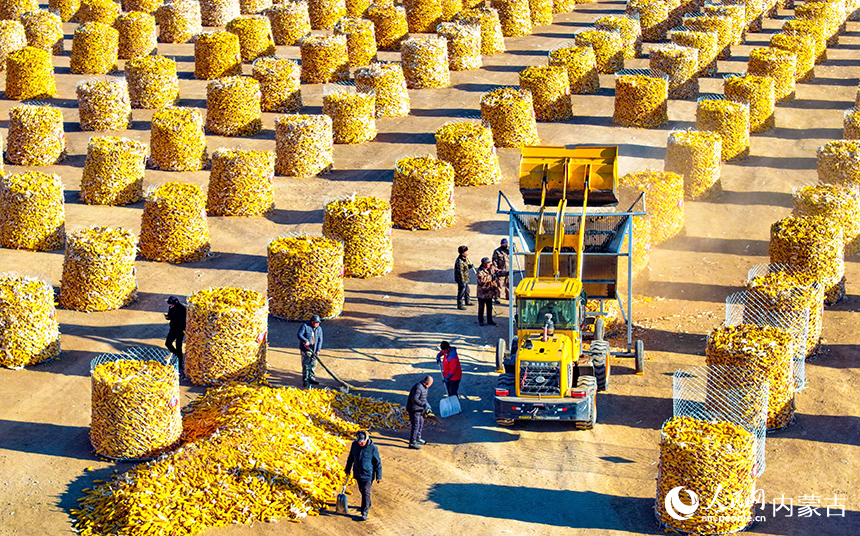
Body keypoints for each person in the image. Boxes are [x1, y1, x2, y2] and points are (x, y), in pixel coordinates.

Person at [344, 430, 382, 521]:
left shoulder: (372, 448)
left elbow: (377, 463)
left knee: (366, 491)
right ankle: (368, 504)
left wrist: (378, 476)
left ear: (366, 439)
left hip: (368, 474)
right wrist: (347, 469)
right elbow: (351, 458)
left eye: (362, 441)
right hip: (358, 472)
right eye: (359, 441)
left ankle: (364, 512)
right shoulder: (354, 445)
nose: (360, 443)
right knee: (362, 490)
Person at [406, 375, 433, 449]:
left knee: (421, 423)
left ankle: (418, 438)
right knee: (416, 425)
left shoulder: (424, 388)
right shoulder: (418, 387)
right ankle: (412, 442)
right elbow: (414, 399)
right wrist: (423, 404)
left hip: (419, 409)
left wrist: (427, 405)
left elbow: (423, 398)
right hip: (414, 409)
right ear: (427, 383)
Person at [297, 314, 323, 388]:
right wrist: (305, 341)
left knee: (313, 364)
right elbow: (299, 335)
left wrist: (318, 350)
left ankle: (311, 377)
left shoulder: (319, 329)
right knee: (306, 365)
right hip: (306, 350)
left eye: (318, 323)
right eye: (316, 323)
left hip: (314, 350)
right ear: (312, 322)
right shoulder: (305, 326)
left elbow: (320, 340)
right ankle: (306, 380)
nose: (317, 324)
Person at [164, 296, 186, 377]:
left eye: (172, 304)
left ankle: (180, 363)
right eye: (170, 304)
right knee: (168, 343)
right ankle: (178, 355)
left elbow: (184, 319)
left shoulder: (182, 309)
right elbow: (170, 316)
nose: (171, 306)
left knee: (178, 346)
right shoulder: (171, 307)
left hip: (180, 330)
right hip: (173, 328)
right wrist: (168, 317)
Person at [476, 257, 499, 326]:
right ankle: (481, 320)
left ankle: (490, 320)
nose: (489, 264)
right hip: (482, 292)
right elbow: (482, 280)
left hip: (489, 292)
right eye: (487, 263)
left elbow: (497, 271)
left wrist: (505, 273)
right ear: (484, 264)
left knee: (489, 307)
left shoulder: (491, 268)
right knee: (481, 307)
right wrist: (491, 276)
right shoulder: (479, 271)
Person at [453, 245, 474, 310]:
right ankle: (460, 305)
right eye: (466, 251)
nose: (467, 253)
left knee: (467, 290)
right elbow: (460, 273)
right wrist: (462, 282)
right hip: (461, 279)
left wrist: (469, 266)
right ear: (462, 253)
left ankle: (467, 301)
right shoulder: (459, 262)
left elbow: (465, 267)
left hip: (465, 278)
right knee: (461, 291)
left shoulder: (465, 258)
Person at [492, 238, 510, 303]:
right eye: (503, 244)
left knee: (509, 284)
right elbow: (494, 261)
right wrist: (496, 270)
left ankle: (508, 296)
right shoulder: (497, 251)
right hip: (500, 271)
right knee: (498, 285)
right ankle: (497, 298)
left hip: (508, 271)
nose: (504, 245)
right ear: (501, 244)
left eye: (506, 244)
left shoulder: (509, 250)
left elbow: (516, 251)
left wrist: (513, 246)